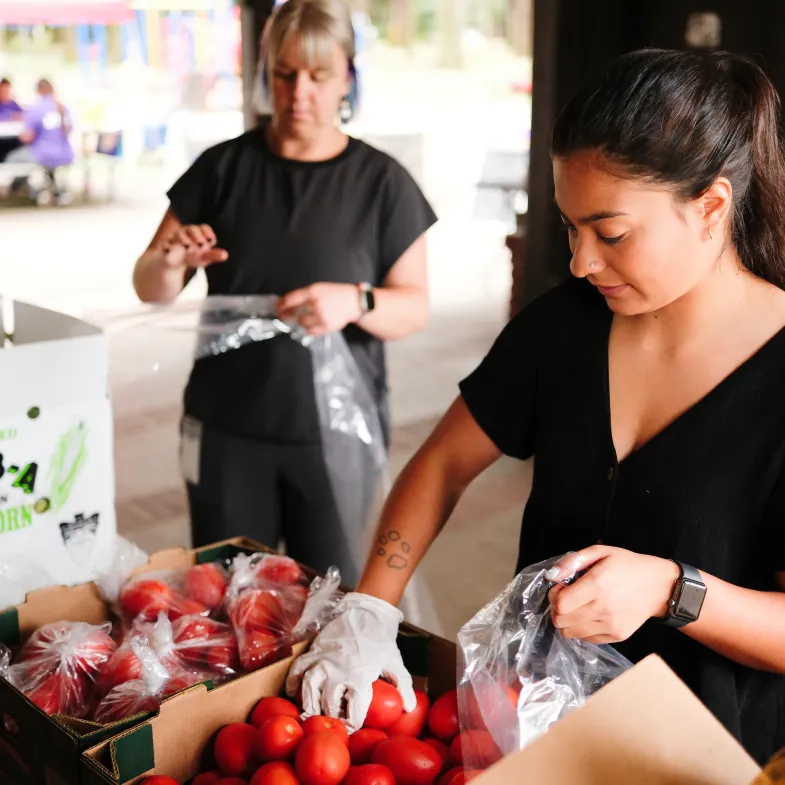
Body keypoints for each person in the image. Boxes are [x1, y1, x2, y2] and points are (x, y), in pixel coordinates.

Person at [287, 48, 785, 764]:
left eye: (610, 233)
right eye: (568, 228)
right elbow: (442, 465)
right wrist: (371, 605)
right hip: (530, 736)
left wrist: (671, 589)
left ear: (709, 207)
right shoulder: (564, 327)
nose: (581, 261)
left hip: (697, 761)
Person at [132, 0, 436, 587]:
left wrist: (358, 301)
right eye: (285, 73)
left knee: (331, 595)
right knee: (226, 598)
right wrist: (170, 263)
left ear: (348, 74)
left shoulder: (382, 184)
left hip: (335, 436)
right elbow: (149, 287)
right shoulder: (222, 170)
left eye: (319, 76)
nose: (300, 93)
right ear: (264, 74)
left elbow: (413, 306)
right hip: (226, 431)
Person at [6, 79, 74, 202]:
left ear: (38, 91)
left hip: (43, 154)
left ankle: (20, 188)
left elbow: (27, 136)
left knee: (12, 158)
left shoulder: (36, 109)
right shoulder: (63, 108)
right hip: (65, 153)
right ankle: (46, 187)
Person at [0, 78, 24, 162]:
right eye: (3, 90)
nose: (5, 93)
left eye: (7, 90)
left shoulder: (13, 104)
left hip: (12, 139)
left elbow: (23, 115)